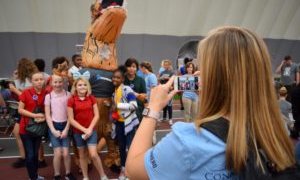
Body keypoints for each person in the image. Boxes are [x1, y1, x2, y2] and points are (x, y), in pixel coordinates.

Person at [126, 26, 296, 179]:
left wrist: (153, 109)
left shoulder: (188, 141)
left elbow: (133, 169)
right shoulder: (278, 128)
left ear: (214, 78)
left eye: (204, 68)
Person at [67, 77, 108, 180]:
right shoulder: (71, 100)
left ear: (88, 87)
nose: (82, 87)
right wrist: (84, 130)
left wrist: (89, 129)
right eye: (80, 85)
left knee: (93, 154)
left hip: (91, 131)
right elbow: (71, 119)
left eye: (85, 85)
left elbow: (96, 115)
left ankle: (103, 176)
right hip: (78, 132)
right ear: (75, 87)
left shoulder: (91, 98)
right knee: (82, 155)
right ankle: (85, 177)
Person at [9, 59, 47, 168]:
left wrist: (14, 89)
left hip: (30, 109)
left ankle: (38, 158)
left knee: (34, 133)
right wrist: (15, 79)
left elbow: (25, 95)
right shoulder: (26, 78)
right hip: (24, 108)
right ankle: (25, 157)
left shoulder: (32, 78)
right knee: (19, 132)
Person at [45, 74, 76, 180]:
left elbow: (70, 115)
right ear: (51, 83)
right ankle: (57, 175)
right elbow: (48, 115)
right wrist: (53, 130)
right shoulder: (48, 96)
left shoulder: (68, 95)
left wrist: (66, 129)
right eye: (55, 82)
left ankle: (68, 173)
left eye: (60, 82)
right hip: (54, 126)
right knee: (58, 153)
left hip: (65, 125)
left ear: (64, 83)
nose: (58, 84)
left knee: (66, 153)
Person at [18, 72, 47, 180]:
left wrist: (43, 116)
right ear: (31, 81)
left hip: (38, 129)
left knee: (35, 155)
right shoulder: (26, 92)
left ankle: (34, 175)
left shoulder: (46, 93)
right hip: (25, 129)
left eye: (41, 79)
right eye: (36, 80)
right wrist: (35, 115)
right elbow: (20, 110)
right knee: (30, 156)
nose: (39, 81)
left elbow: (47, 110)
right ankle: (33, 177)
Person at [112, 66, 139, 180]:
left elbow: (134, 105)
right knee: (122, 148)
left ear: (123, 79)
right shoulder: (114, 92)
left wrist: (117, 106)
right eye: (114, 77)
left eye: (118, 78)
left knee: (131, 148)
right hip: (119, 124)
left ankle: (132, 171)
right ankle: (123, 169)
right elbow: (115, 110)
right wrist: (112, 114)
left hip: (129, 125)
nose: (115, 79)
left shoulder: (127, 89)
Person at [159, 60, 174, 125]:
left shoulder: (171, 72)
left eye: (167, 64)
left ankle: (170, 119)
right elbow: (158, 80)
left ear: (169, 65)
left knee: (169, 105)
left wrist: (168, 78)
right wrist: (161, 78)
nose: (166, 66)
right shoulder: (162, 72)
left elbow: (174, 80)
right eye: (165, 65)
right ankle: (164, 117)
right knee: (164, 105)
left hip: (169, 91)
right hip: (163, 91)